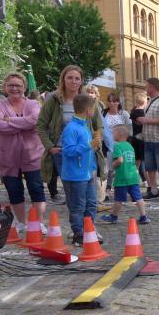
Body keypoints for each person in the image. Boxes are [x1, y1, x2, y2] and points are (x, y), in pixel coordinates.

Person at [37, 65, 105, 211]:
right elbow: (41, 125)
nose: (73, 81)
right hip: (63, 153)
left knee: (90, 195)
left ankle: (89, 224)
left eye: (77, 78)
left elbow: (99, 126)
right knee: (74, 196)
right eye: (70, 78)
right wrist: (50, 147)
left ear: (81, 81)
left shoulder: (87, 100)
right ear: (63, 79)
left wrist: (97, 142)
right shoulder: (54, 100)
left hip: (87, 152)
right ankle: (77, 224)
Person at [0, 73, 46, 235]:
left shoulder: (33, 104)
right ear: (5, 87)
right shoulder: (0, 105)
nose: (14, 88)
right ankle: (21, 223)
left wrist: (9, 120)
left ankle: (39, 223)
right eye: (11, 85)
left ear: (24, 88)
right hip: (7, 156)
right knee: (14, 190)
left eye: (18, 85)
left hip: (32, 155)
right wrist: (24, 124)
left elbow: (34, 121)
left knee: (36, 188)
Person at [60, 94, 101, 246]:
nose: (94, 111)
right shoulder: (71, 128)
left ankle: (89, 231)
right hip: (74, 176)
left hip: (87, 174)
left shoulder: (85, 126)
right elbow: (68, 151)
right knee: (77, 207)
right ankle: (78, 235)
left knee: (91, 204)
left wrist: (93, 164)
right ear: (88, 109)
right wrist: (89, 145)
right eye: (93, 108)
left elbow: (87, 152)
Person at [100, 125, 150, 225]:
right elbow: (131, 161)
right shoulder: (130, 146)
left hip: (122, 178)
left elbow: (120, 160)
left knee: (118, 199)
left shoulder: (117, 146)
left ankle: (113, 216)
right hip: (133, 177)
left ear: (119, 135)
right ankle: (144, 216)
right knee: (138, 198)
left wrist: (113, 166)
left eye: (113, 133)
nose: (112, 135)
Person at [101, 93, 131, 197]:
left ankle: (126, 188)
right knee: (109, 167)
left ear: (118, 102)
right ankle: (107, 190)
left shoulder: (124, 114)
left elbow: (130, 130)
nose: (112, 103)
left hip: (121, 145)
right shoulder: (103, 113)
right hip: (107, 144)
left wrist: (127, 144)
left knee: (122, 166)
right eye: (110, 101)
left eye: (114, 101)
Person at [129, 92, 148, 188]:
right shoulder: (143, 113)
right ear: (144, 101)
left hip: (134, 139)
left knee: (137, 162)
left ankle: (133, 180)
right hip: (142, 139)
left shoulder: (133, 112)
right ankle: (147, 182)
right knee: (145, 162)